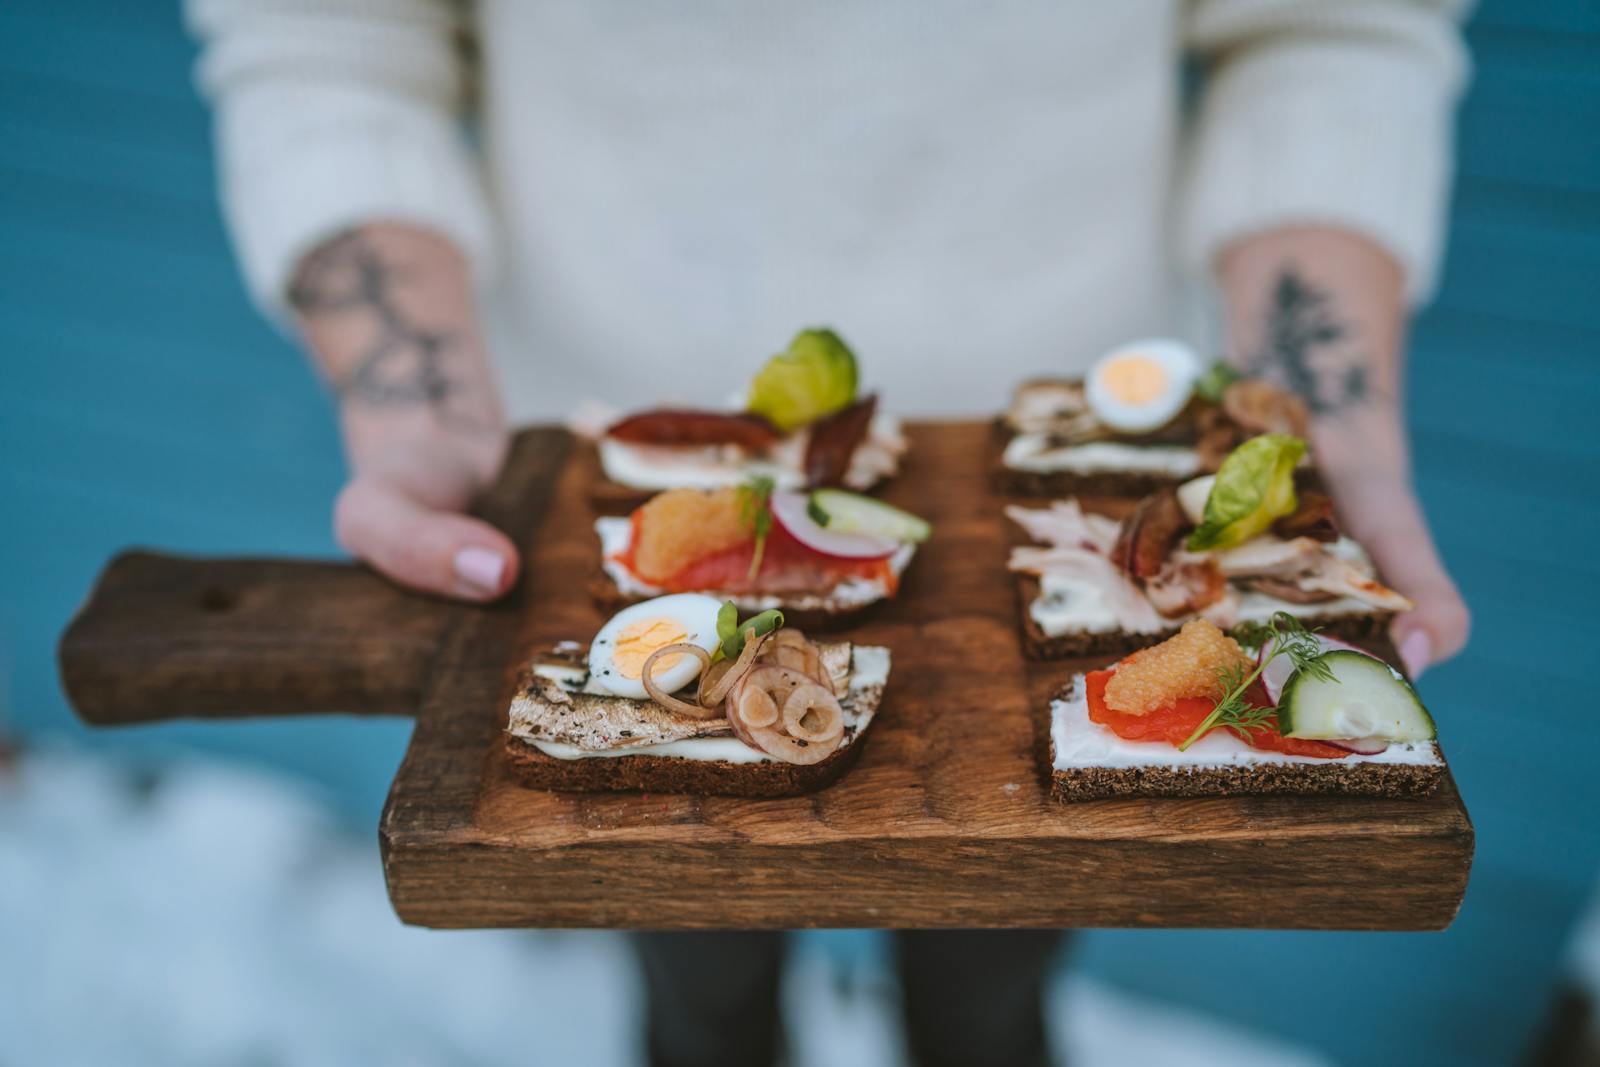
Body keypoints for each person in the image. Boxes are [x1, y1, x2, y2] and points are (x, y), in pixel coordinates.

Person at [187, 3, 1472, 1064]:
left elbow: (1333, 28)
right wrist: (416, 404)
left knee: (989, 1011)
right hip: (599, 463)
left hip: (1098, 457)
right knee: (701, 1008)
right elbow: (327, 42)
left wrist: (1328, 422)